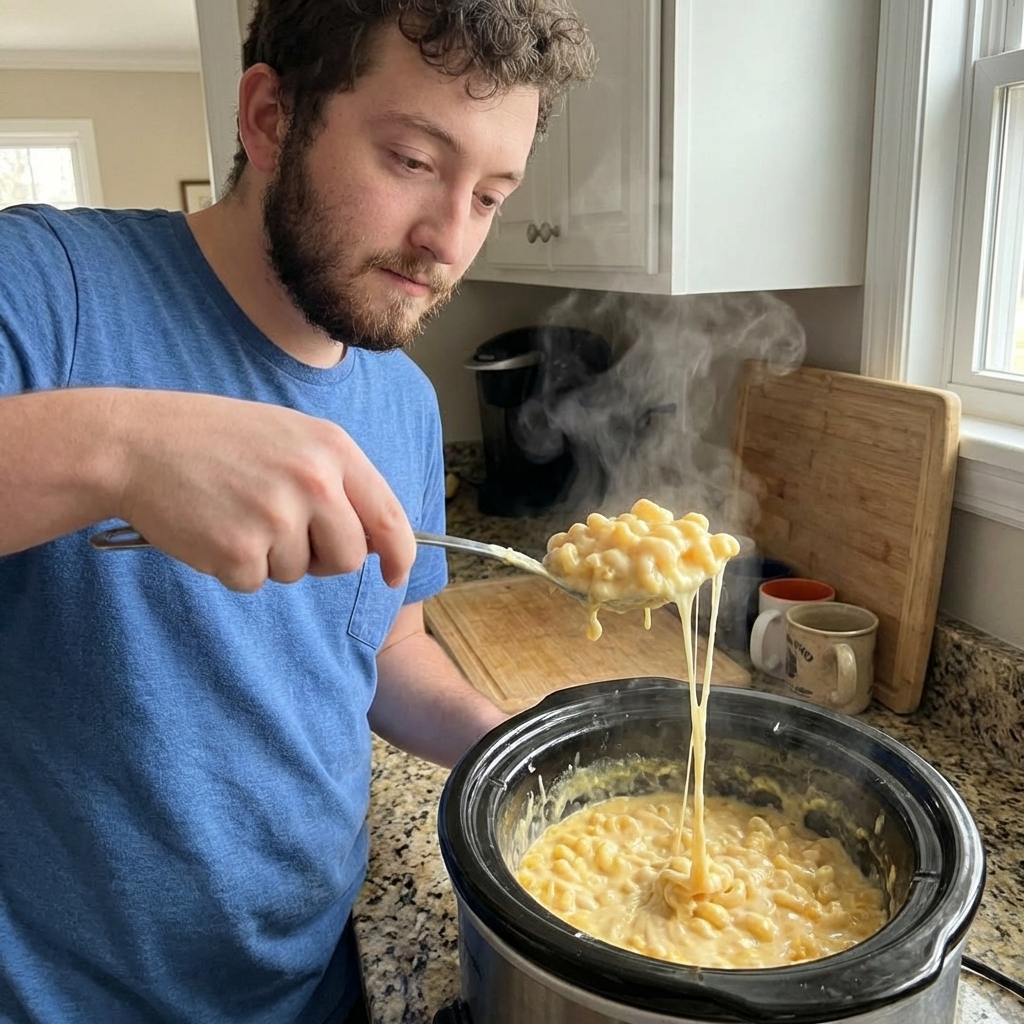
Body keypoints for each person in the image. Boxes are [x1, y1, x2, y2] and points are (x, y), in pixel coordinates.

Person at [0, 2, 595, 1021]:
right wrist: (121, 447)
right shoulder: (47, 285)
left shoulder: (402, 397)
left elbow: (384, 648)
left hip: (311, 983)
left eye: (490, 195)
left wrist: (512, 743)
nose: (447, 241)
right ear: (271, 119)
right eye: (413, 159)